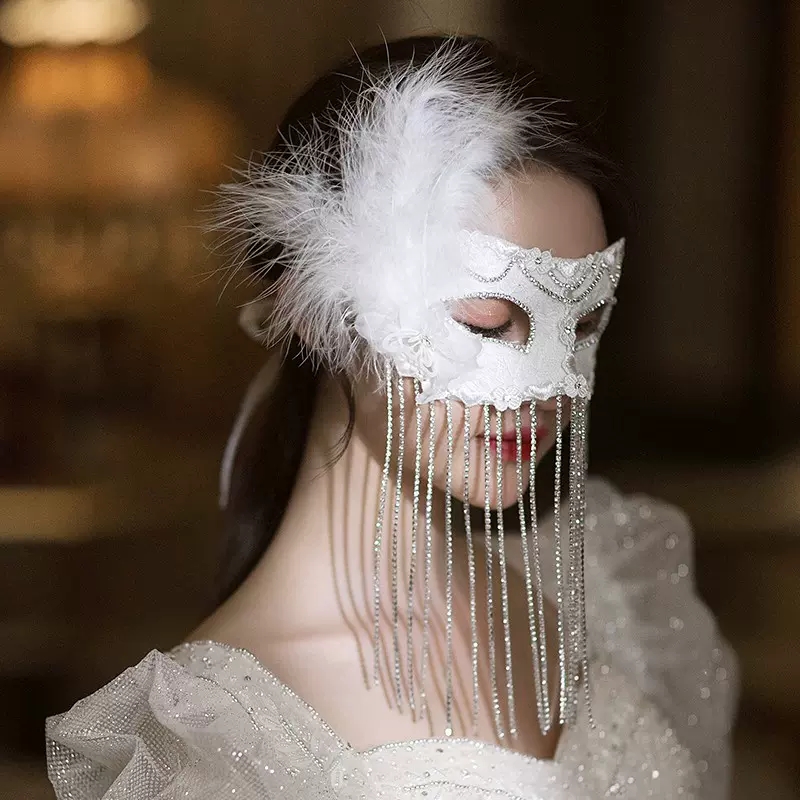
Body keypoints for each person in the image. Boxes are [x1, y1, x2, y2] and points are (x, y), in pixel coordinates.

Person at [46, 36, 737, 799]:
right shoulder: (215, 745)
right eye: (484, 322)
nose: (549, 387)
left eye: (581, 327)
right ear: (316, 309)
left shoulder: (601, 599)